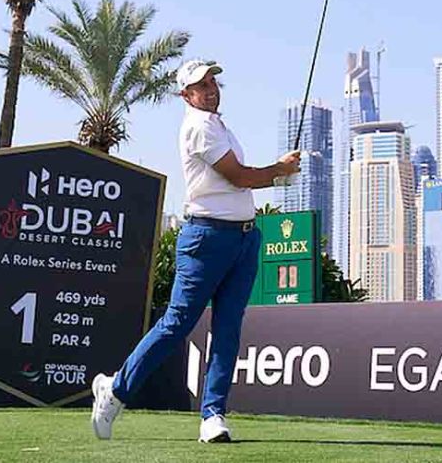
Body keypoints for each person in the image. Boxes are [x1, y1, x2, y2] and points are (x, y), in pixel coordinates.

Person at [90, 58, 301, 443]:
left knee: (227, 330)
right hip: (207, 239)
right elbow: (238, 176)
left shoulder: (218, 124)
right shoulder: (199, 127)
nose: (211, 89)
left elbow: (240, 179)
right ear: (185, 95)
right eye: (201, 86)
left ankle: (213, 416)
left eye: (213, 82)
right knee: (177, 324)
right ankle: (116, 390)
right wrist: (279, 171)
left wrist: (276, 174)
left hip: (243, 238)